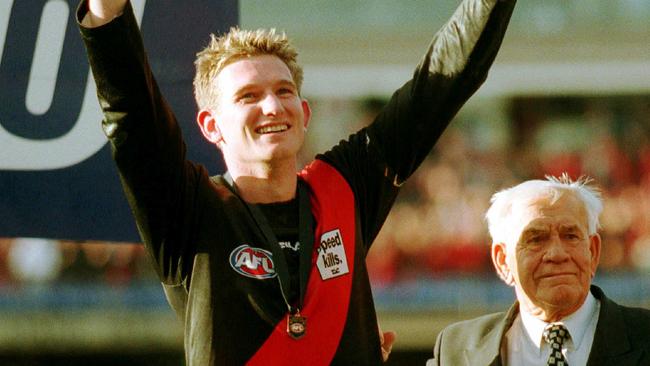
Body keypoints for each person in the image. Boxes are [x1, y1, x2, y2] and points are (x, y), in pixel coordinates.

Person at [77, 0, 516, 364]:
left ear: (304, 114)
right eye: (249, 96)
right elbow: (133, 117)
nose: (272, 106)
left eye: (284, 91)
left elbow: (441, 84)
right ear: (212, 126)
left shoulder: (346, 185)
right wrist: (106, 12)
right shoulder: (188, 208)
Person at [427, 175, 650, 366]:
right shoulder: (455, 349)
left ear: (593, 251)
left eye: (570, 236)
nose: (557, 254)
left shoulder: (643, 336)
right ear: (503, 260)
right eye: (536, 239)